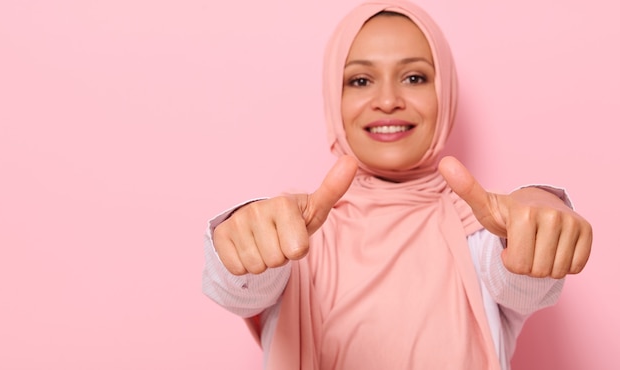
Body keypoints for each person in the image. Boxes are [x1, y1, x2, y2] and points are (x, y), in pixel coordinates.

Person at [202, 0, 592, 369]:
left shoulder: (482, 230)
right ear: (332, 99)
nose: (387, 101)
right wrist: (242, 239)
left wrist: (538, 217)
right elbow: (238, 289)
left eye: (414, 77)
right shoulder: (296, 228)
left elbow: (521, 283)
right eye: (359, 80)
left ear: (444, 94)